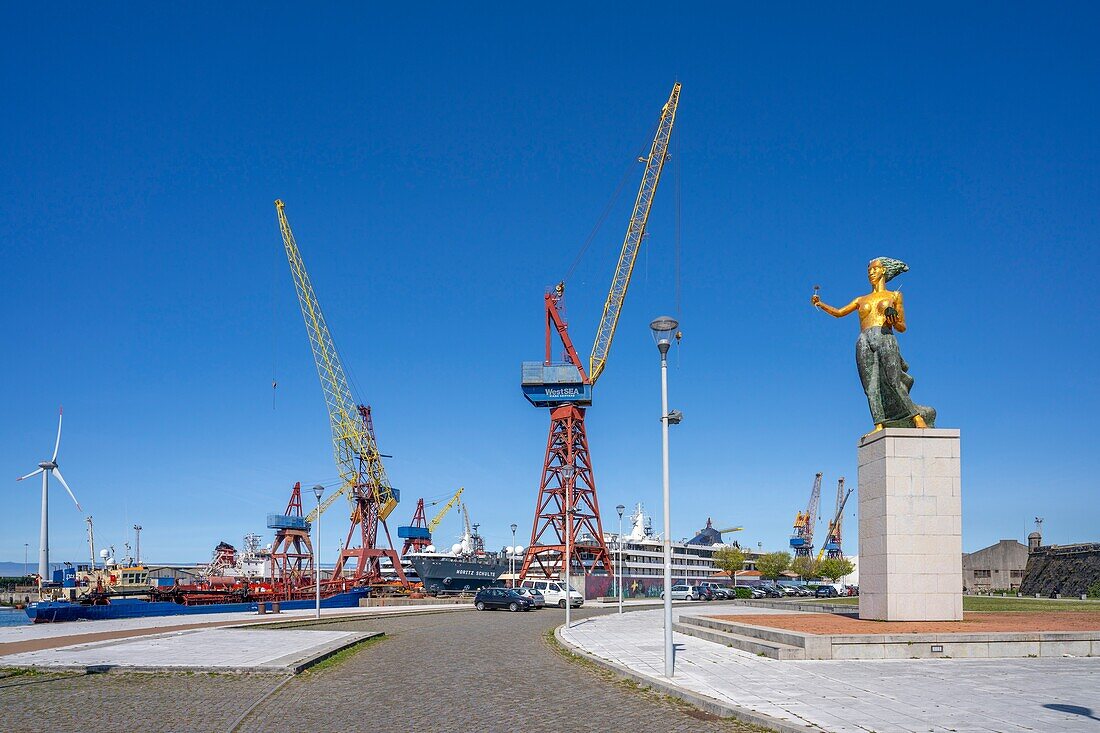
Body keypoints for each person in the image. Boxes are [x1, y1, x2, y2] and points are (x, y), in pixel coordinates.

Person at [812, 257, 936, 431]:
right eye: (869, 271)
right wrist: (820, 304)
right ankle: (879, 424)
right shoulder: (861, 299)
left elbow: (902, 327)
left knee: (894, 381)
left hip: (885, 336)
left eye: (874, 269)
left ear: (883, 270)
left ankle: (917, 418)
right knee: (870, 386)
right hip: (864, 339)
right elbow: (840, 313)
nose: (871, 273)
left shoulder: (894, 295)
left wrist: (893, 321)